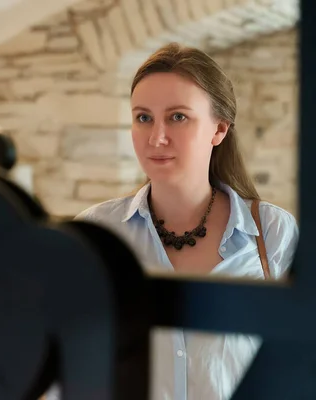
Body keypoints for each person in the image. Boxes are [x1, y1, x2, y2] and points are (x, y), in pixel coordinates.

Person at [69, 43, 299, 399]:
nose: (157, 137)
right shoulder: (95, 233)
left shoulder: (273, 233)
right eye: (143, 117)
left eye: (178, 116)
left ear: (219, 129)